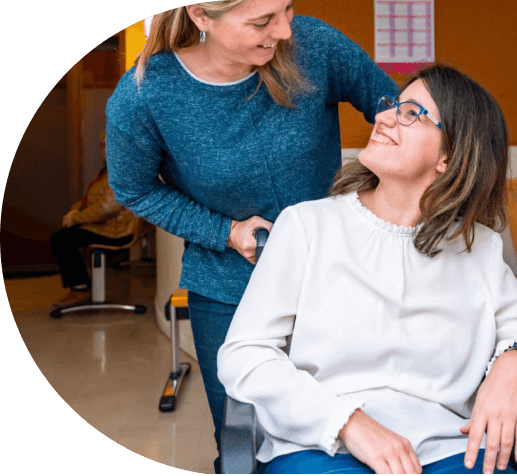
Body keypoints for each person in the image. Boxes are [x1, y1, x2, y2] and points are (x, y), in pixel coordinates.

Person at [218, 64, 517, 475]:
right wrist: (346, 422)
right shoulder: (307, 226)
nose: (382, 117)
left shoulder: (478, 248)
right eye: (392, 106)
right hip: (324, 447)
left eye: (411, 113)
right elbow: (244, 354)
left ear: (449, 157)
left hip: (452, 451)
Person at [104, 1, 398, 472]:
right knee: (244, 443)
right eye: (262, 21)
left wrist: (389, 196)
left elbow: (395, 110)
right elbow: (134, 189)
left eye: (287, 9)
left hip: (338, 278)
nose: (284, 30)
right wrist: (225, 232)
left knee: (351, 430)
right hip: (227, 290)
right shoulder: (145, 95)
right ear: (201, 17)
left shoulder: (314, 45)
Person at [50, 133, 137, 309]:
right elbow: (87, 198)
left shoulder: (124, 171)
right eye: (103, 146)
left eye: (110, 145)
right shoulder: (107, 171)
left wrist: (75, 219)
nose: (106, 150)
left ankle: (80, 288)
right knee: (62, 237)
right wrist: (75, 209)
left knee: (62, 239)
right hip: (105, 226)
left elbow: (107, 209)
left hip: (116, 231)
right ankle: (81, 286)